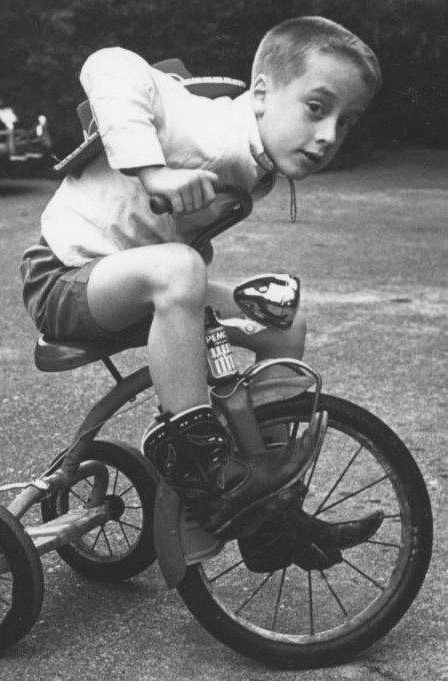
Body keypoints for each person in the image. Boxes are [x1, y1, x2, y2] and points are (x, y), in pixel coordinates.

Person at [21, 16, 383, 543]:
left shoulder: (256, 158)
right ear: (262, 93)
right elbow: (109, 64)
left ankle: (269, 512)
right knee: (181, 267)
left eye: (344, 121)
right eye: (316, 108)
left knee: (281, 317)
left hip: (141, 284)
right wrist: (152, 171)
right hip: (65, 280)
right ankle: (198, 464)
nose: (328, 136)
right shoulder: (202, 123)